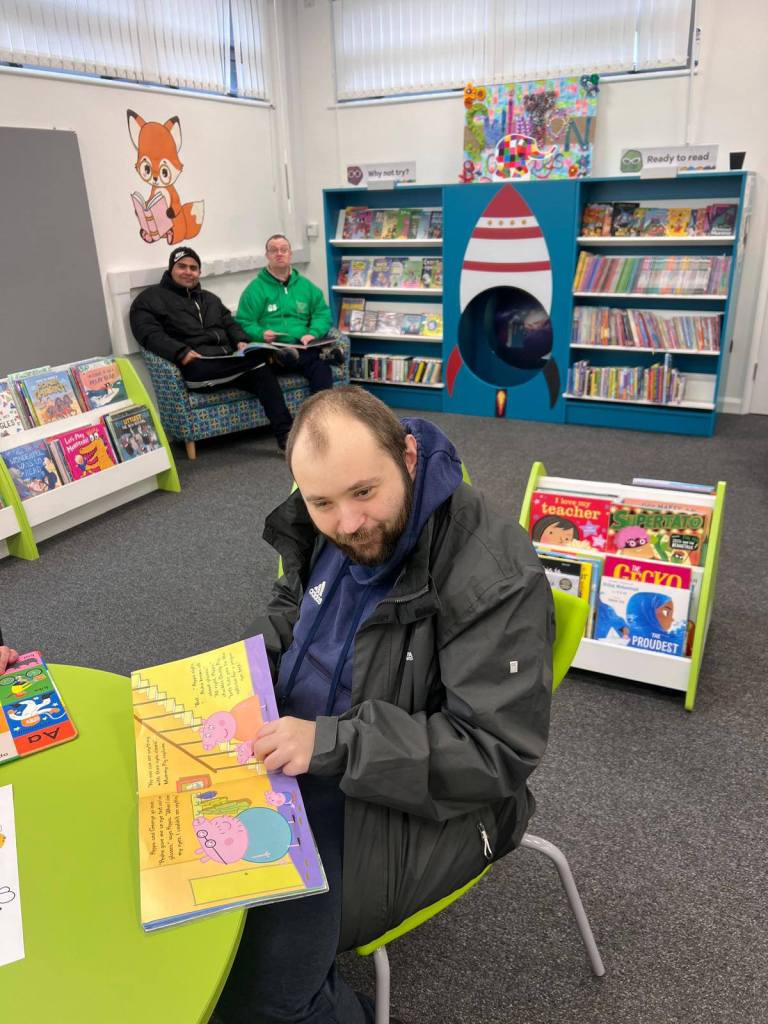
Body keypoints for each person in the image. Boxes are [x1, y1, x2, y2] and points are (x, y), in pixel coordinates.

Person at [215, 387, 554, 1024]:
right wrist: (242, 668)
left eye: (364, 493)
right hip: (300, 755)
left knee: (261, 992)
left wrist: (330, 744)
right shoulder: (323, 513)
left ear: (408, 456)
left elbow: (494, 753)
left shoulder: (490, 572)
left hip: (414, 797)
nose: (347, 523)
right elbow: (294, 606)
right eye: (322, 503)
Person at [129, 247, 294, 450]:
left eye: (193, 268)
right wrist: (180, 352)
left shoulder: (209, 299)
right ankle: (280, 359)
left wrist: (241, 341)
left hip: (228, 362)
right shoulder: (150, 299)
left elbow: (230, 323)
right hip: (198, 366)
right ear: (171, 269)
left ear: (199, 272)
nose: (188, 272)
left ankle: (288, 439)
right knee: (259, 361)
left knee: (261, 370)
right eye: (182, 267)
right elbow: (149, 334)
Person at [235, 235, 345, 395]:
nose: (279, 254)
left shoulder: (306, 286)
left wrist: (313, 333)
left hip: (302, 344)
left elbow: (322, 314)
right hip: (273, 349)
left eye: (284, 250)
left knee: (322, 370)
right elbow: (244, 321)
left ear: (290, 254)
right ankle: (325, 356)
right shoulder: (255, 289)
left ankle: (320, 411)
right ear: (267, 255)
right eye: (274, 250)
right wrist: (261, 334)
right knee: (296, 357)